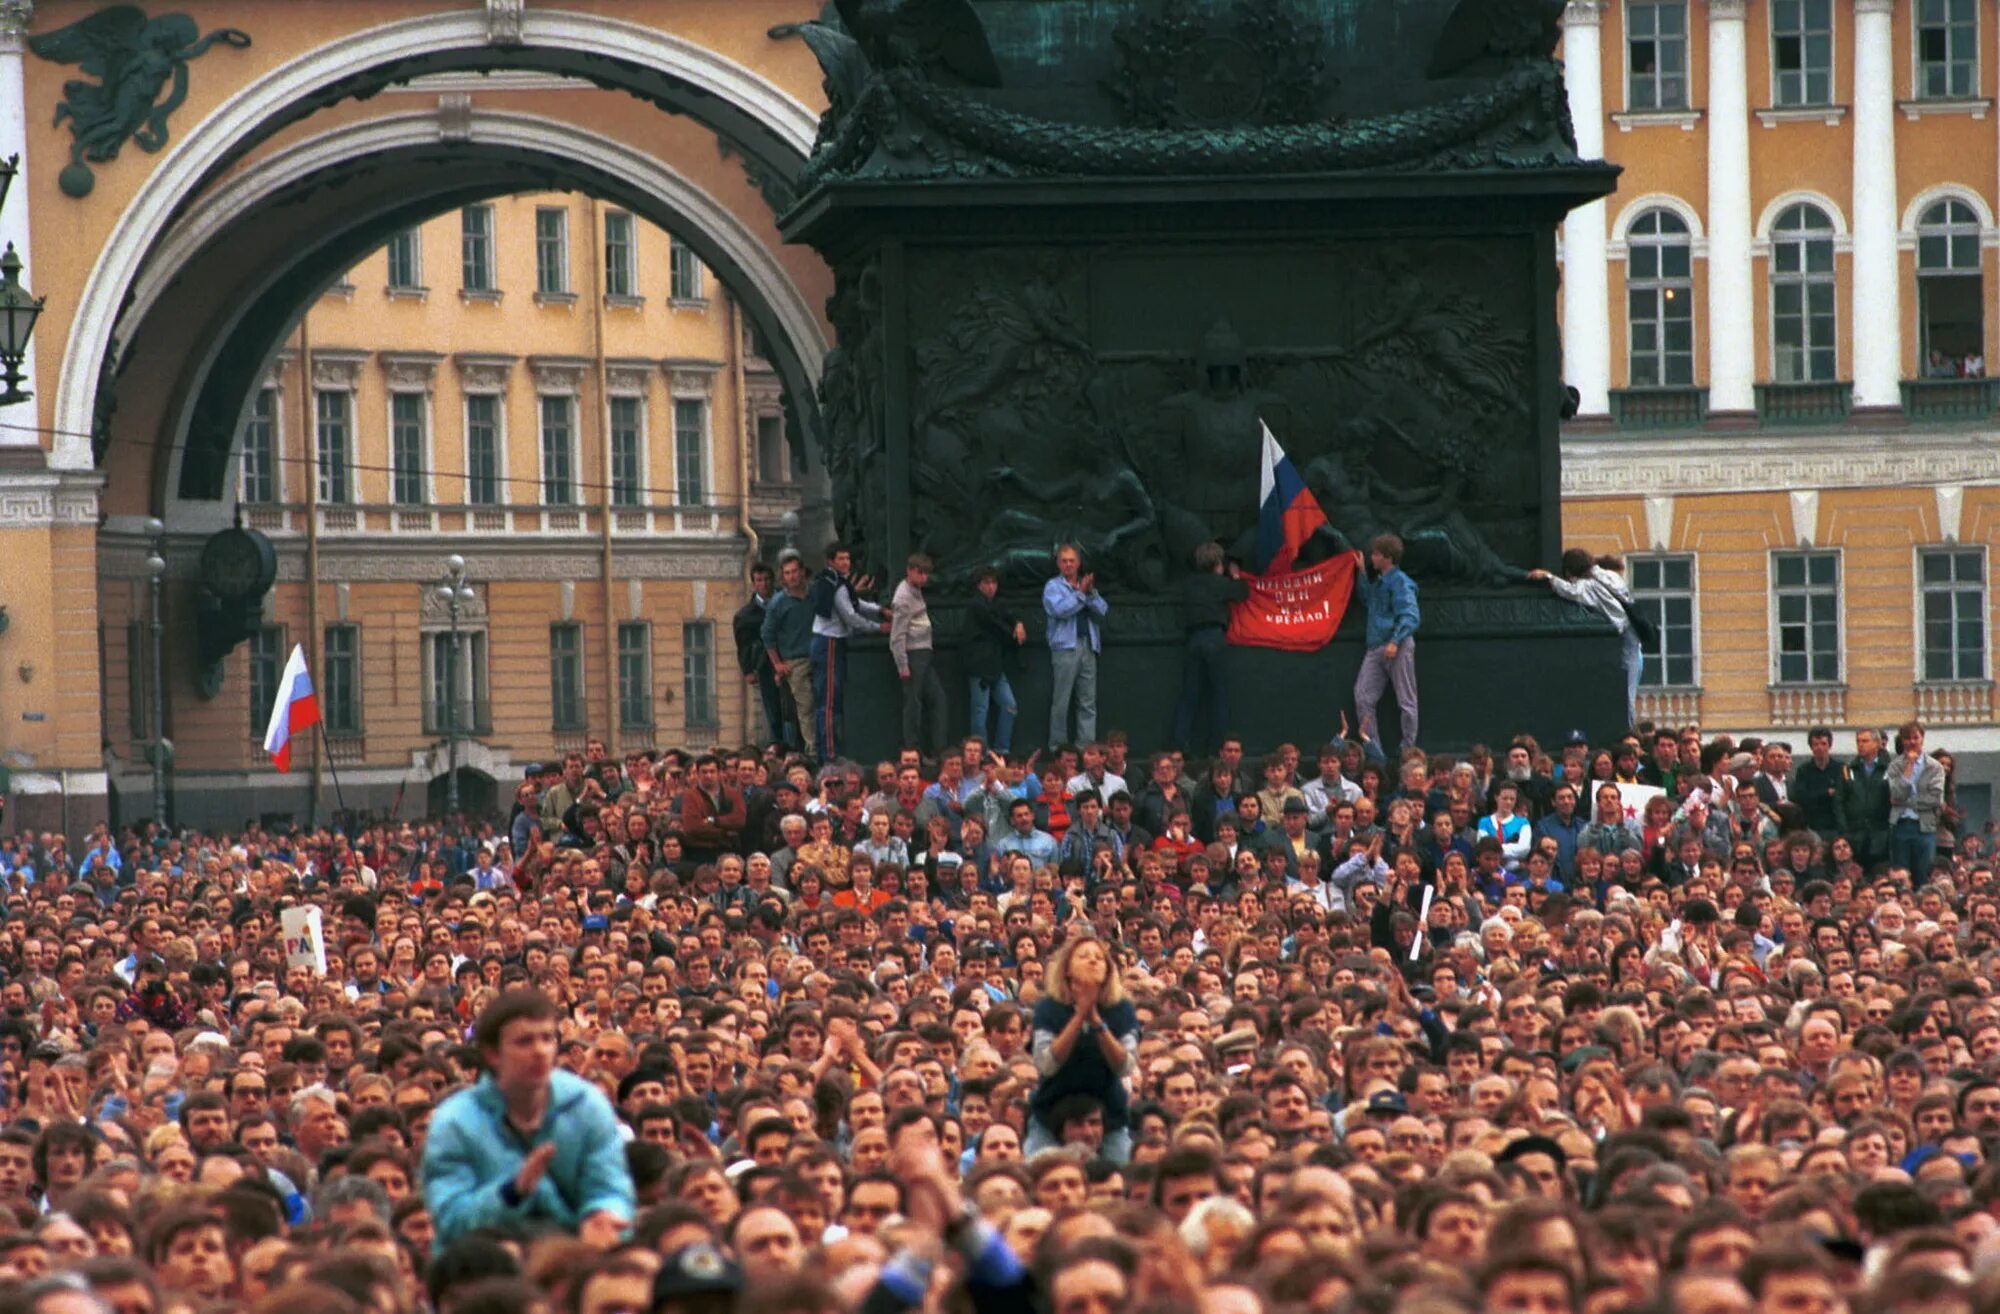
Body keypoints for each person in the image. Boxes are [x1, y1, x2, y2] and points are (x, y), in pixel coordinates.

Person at [421, 989, 635, 1247]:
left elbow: (611, 1187)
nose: (540, 1051)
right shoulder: (455, 1122)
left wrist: (601, 1214)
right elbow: (450, 1219)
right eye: (524, 1041)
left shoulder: (585, 1105)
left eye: (547, 1039)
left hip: (575, 1255)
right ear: (492, 1053)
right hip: (485, 1263)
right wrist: (512, 1192)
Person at [1025, 936, 1138, 1165]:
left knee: (1124, 1173)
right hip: (1051, 1112)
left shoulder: (1121, 1008)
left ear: (1108, 970)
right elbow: (1046, 1063)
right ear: (1067, 969)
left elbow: (1125, 1065)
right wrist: (1079, 1015)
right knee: (1034, 1171)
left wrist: (1095, 1018)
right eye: (1084, 956)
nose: (1093, 961)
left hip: (1108, 1114)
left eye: (1099, 958)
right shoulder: (1048, 1008)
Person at [1528, 549, 1640, 728]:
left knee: (1624, 693)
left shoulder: (1586, 586)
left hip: (1622, 636)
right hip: (1632, 635)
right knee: (1628, 687)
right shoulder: (1609, 575)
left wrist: (1549, 577)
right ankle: (1629, 727)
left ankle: (1628, 728)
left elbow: (1571, 591)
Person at [808, 541, 889, 761]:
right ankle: (830, 754)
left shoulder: (835, 581)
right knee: (829, 702)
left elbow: (856, 603)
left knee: (829, 700)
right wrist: (878, 627)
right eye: (841, 559)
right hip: (830, 643)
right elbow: (851, 616)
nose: (846, 563)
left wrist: (880, 610)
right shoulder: (836, 583)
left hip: (827, 643)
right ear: (831, 561)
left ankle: (827, 750)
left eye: (848, 559)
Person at [1171, 541, 1248, 752]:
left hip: (1193, 638)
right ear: (1218, 564)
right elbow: (1241, 592)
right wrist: (1236, 575)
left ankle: (1180, 743)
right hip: (1215, 636)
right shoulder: (1220, 583)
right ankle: (1216, 746)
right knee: (1218, 693)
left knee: (1190, 693)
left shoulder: (1189, 585)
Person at [1352, 533, 1420, 755]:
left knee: (1406, 700)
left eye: (1376, 554)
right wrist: (1361, 572)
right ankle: (1374, 751)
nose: (1372, 557)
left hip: (1395, 646)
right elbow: (1368, 600)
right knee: (1363, 696)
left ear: (1387, 557)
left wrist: (1396, 640)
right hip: (1375, 647)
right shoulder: (1380, 583)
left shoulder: (1400, 582)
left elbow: (1410, 615)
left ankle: (1408, 750)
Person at [1043, 544, 1108, 748]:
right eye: (1064, 561)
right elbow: (1060, 610)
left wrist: (1090, 595)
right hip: (1065, 648)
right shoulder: (1053, 586)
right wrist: (1080, 594)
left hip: (1088, 646)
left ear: (1078, 563)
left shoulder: (1086, 586)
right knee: (1061, 701)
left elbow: (1103, 610)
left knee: (1087, 702)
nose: (1068, 564)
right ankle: (1058, 747)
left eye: (1072, 560)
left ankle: (1086, 747)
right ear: (1058, 564)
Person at [889, 554, 948, 757]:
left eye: (926, 574)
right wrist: (902, 665)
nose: (924, 578)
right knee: (913, 704)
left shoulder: (915, 591)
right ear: (910, 570)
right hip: (913, 655)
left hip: (923, 653)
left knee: (937, 699)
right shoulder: (903, 597)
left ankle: (938, 749)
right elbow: (897, 636)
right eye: (920, 573)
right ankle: (912, 749)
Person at [761, 552, 817, 757]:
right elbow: (767, 635)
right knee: (805, 706)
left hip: (818, 656)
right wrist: (777, 664)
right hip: (795, 659)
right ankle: (812, 750)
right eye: (787, 573)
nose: (792, 577)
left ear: (802, 572)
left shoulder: (814, 593)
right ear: (782, 577)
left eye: (795, 572)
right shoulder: (778, 602)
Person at [966, 566, 1026, 755]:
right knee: (980, 710)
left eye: (994, 583)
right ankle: (981, 754)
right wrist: (1013, 632)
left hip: (995, 666)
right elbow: (995, 624)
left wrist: (1018, 623)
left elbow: (1009, 615)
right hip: (979, 667)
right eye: (987, 583)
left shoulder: (997, 604)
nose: (991, 587)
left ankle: (1002, 749)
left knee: (1010, 705)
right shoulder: (976, 605)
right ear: (979, 585)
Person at [733, 563, 787, 750]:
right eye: (759, 580)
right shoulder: (745, 615)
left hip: (787, 660)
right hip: (764, 665)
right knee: (771, 704)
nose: (763, 584)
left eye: (766, 579)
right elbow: (742, 644)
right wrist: (747, 669)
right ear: (753, 583)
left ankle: (789, 741)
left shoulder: (783, 603)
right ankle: (777, 741)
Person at [1887, 720, 1946, 878]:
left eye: (1915, 737)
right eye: (1907, 738)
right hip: (1901, 825)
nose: (1912, 742)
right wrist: (1909, 766)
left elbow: (1935, 799)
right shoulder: (1895, 766)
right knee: (1901, 874)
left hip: (1925, 827)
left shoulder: (1934, 767)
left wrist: (1908, 802)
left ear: (1922, 738)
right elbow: (1896, 795)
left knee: (1924, 873)